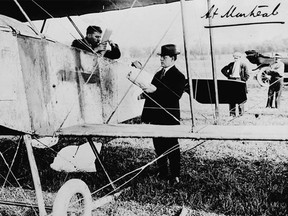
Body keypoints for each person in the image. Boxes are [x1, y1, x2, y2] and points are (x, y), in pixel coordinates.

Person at [132, 44, 186, 185]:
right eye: (161, 57)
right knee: (158, 145)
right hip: (156, 117)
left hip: (169, 117)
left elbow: (175, 96)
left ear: (173, 59)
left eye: (165, 57)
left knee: (172, 146)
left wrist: (154, 90)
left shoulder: (179, 76)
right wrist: (144, 95)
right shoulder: (157, 74)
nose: (161, 59)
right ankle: (162, 172)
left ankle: (175, 175)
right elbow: (151, 92)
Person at [221, 52, 249, 116]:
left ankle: (241, 114)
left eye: (237, 58)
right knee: (231, 98)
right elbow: (223, 70)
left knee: (240, 98)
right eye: (234, 58)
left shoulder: (243, 65)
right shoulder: (231, 64)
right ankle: (232, 114)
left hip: (239, 82)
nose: (235, 59)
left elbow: (247, 75)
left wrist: (242, 80)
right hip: (232, 81)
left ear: (240, 58)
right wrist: (228, 76)